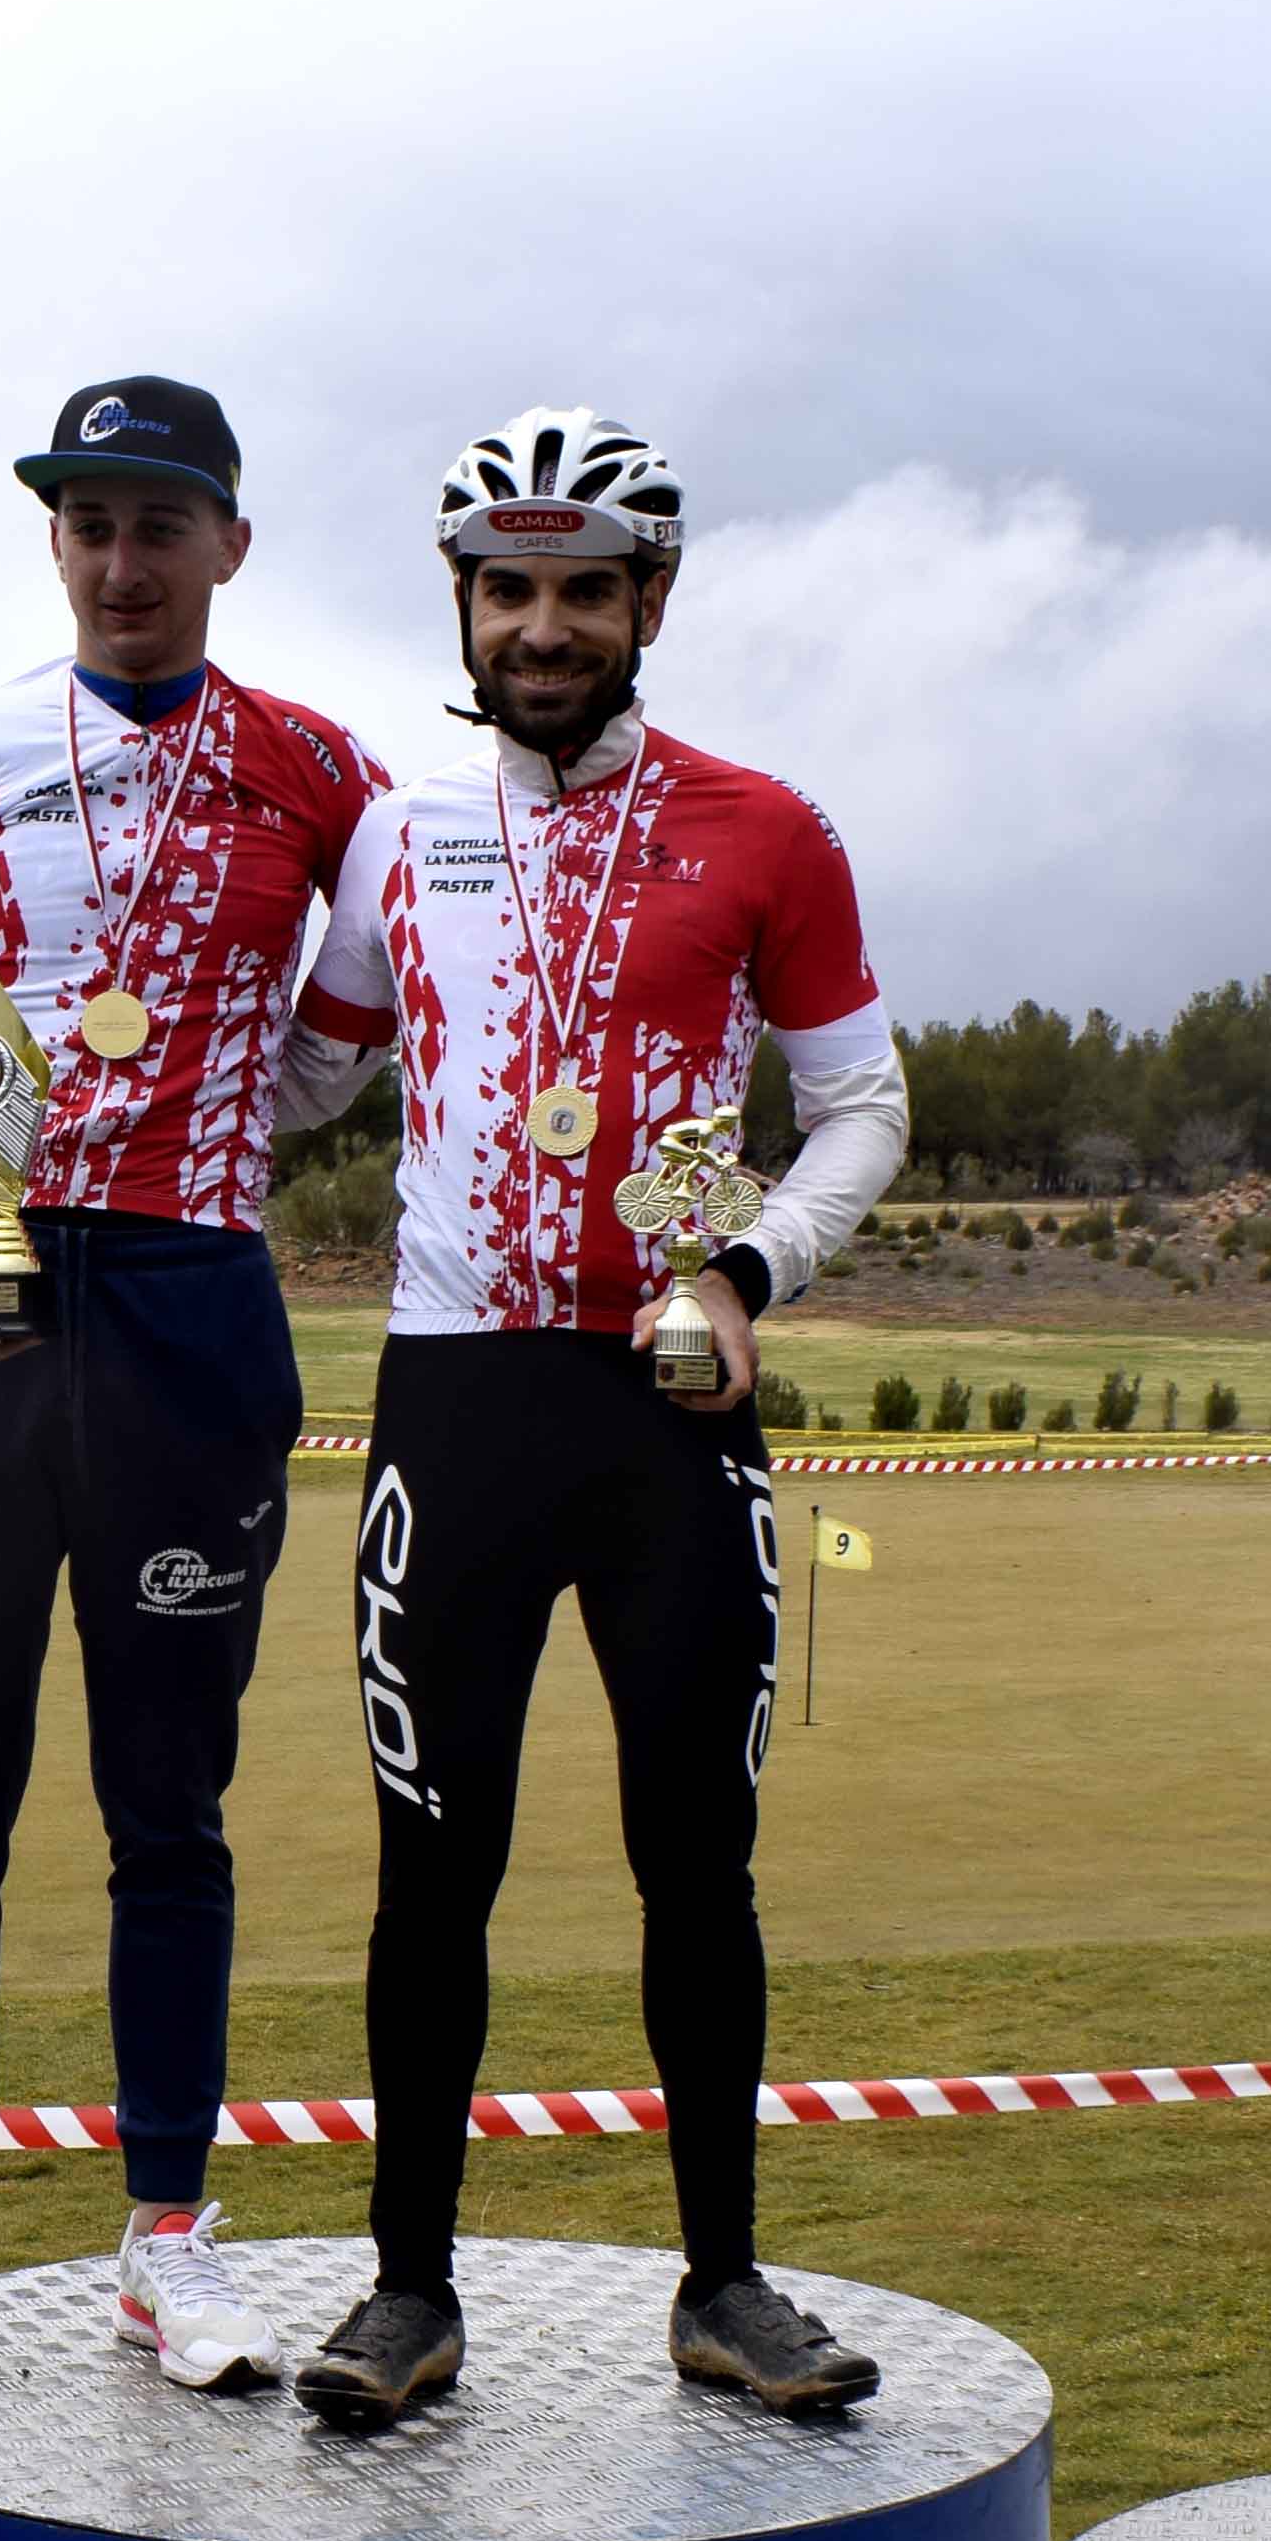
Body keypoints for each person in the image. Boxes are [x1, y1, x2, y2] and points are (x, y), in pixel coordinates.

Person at [273, 410, 910, 2424]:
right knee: (428, 1867)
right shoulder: (396, 836)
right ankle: (408, 2291)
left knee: (697, 1860)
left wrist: (746, 1276)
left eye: (582, 590)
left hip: (669, 1398)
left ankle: (724, 2284)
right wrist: (64, 1091)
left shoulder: (769, 829)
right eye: (508, 590)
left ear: (651, 600)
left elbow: (864, 1107)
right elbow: (307, 1077)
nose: (542, 628)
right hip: (455, 1393)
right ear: (462, 601)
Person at [0, 374, 385, 2401]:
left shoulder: (326, 769)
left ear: (231, 541)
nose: (121, 563)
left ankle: (168, 2238)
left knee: (170, 1813)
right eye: (86, 524)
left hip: (191, 1313)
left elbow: (371, 1007)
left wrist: (241, 1111)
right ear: (54, 539)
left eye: (159, 523)